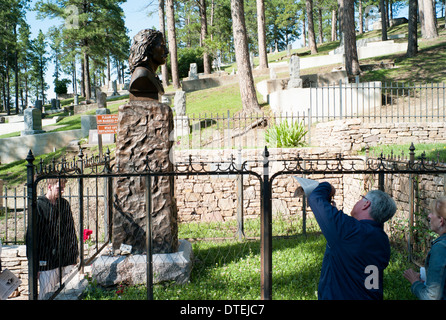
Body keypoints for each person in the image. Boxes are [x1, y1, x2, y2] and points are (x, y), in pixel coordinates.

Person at [304, 181, 396, 300]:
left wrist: (329, 187)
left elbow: (315, 198)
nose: (357, 201)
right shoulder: (382, 239)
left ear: (366, 204)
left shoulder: (348, 230)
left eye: (361, 198)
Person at [27, 179, 78, 299]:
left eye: (63, 187)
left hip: (64, 259)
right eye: (59, 188)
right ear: (49, 186)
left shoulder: (64, 204)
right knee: (46, 295)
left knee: (64, 293)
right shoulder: (38, 206)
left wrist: (74, 254)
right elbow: (31, 237)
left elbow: (71, 229)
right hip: (46, 261)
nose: (62, 190)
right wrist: (34, 265)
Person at [403, 197, 446, 300]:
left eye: (432, 212)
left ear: (441, 220)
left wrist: (415, 282)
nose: (429, 216)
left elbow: (431, 296)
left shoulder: (441, 248)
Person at [128, 29, 169, 101]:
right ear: (149, 49)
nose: (166, 51)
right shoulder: (142, 74)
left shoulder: (151, 75)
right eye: (162, 46)